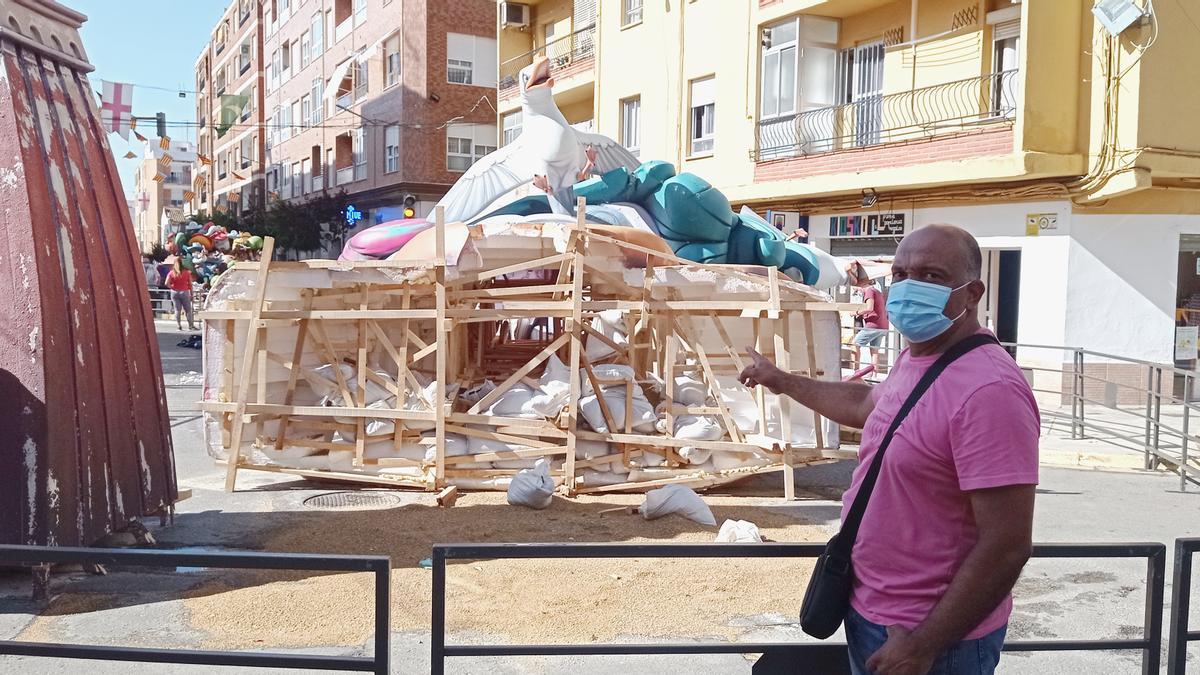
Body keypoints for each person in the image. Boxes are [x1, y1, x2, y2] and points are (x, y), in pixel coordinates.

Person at [739, 224, 1038, 675]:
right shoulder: (917, 357)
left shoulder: (990, 391)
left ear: (971, 293)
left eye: (931, 276)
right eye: (899, 274)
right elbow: (865, 404)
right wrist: (781, 381)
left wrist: (925, 644)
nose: (907, 287)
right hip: (872, 612)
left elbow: (1007, 544)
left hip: (933, 641)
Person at [850, 265, 889, 372]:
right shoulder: (877, 292)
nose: (856, 290)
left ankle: (856, 372)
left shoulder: (869, 291)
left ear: (861, 284)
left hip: (873, 325)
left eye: (856, 287)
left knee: (854, 345)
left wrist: (856, 313)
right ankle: (874, 374)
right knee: (874, 351)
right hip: (883, 325)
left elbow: (869, 308)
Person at [165, 258, 196, 332]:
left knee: (177, 310)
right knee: (188, 310)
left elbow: (166, 283)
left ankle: (179, 326)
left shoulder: (171, 273)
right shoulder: (186, 273)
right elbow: (190, 284)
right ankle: (190, 326)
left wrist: (172, 287)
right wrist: (191, 294)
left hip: (174, 292)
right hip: (184, 291)